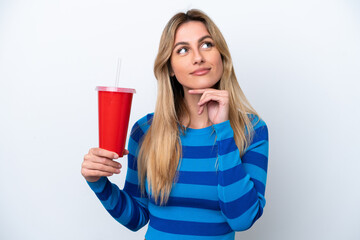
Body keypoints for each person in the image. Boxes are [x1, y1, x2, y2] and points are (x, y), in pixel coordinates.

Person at [81, 9, 269, 240]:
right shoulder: (145, 131)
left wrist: (223, 130)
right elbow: (136, 217)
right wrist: (97, 181)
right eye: (183, 50)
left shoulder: (252, 130)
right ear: (169, 67)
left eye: (207, 45)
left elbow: (243, 219)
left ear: (222, 56)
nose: (198, 57)